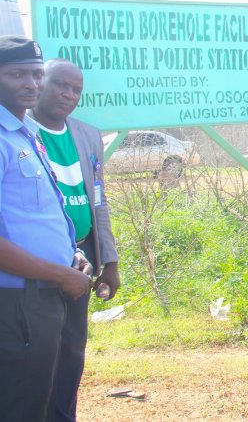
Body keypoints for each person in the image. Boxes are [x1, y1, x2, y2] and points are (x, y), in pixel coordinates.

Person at [0, 35, 92, 421]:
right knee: (21, 405)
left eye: (36, 75)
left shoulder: (26, 133)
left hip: (47, 293)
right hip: (18, 300)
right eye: (17, 74)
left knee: (43, 397)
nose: (30, 84)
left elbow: (35, 216)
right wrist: (58, 273)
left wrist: (70, 255)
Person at [29, 59, 120, 422]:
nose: (68, 94)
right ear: (40, 82)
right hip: (34, 266)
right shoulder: (19, 132)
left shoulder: (87, 135)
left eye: (76, 89)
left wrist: (109, 262)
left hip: (81, 261)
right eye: (60, 85)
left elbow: (98, 200)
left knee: (70, 353)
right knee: (35, 358)